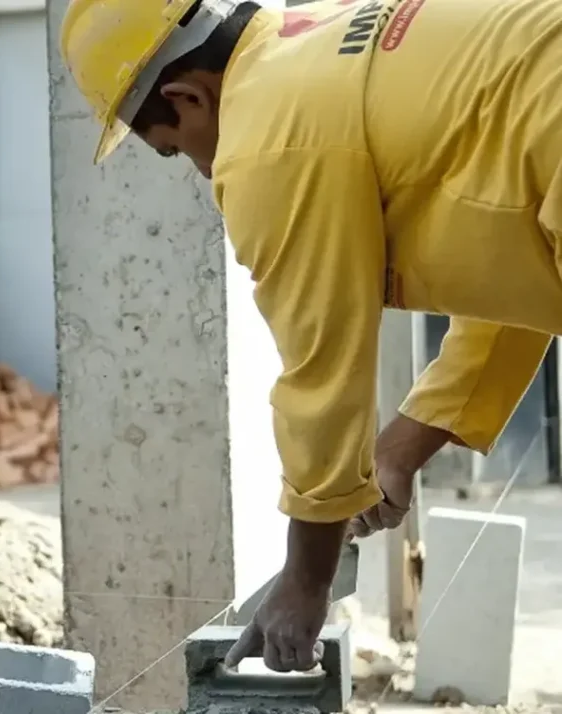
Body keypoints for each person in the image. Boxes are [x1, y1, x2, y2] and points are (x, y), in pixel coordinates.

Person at [59, 0, 562, 675]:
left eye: (176, 149)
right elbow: (509, 262)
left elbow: (322, 372)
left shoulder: (267, 140)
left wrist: (305, 579)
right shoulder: (313, 42)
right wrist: (404, 447)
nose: (202, 173)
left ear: (187, 97)